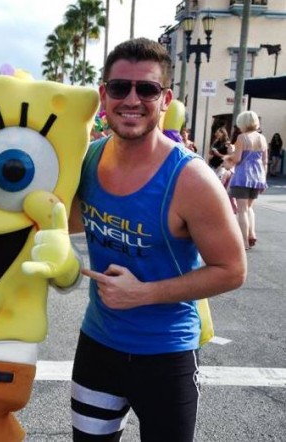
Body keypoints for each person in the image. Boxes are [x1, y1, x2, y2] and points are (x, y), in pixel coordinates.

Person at [67, 38, 246, 441]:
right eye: (120, 87)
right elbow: (65, 222)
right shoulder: (87, 160)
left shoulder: (191, 179)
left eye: (146, 89)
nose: (132, 100)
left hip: (167, 357)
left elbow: (232, 270)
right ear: (103, 95)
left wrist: (143, 294)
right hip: (98, 347)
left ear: (165, 99)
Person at [226, 110, 268, 250]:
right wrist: (263, 178)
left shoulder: (242, 138)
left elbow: (237, 159)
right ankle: (252, 233)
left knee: (242, 210)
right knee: (250, 208)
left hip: (243, 176)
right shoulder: (262, 138)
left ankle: (244, 241)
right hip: (257, 176)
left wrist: (230, 154)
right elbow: (265, 161)